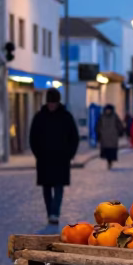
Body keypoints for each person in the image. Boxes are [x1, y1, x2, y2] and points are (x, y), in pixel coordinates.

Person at [29, 88, 80, 224]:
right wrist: (38, 153)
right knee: (46, 188)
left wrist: (69, 154)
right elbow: (33, 138)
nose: (51, 105)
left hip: (61, 159)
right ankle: (49, 212)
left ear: (58, 103)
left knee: (58, 187)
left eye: (54, 103)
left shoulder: (65, 117)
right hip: (44, 159)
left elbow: (74, 137)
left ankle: (54, 213)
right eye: (50, 103)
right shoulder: (40, 117)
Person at [96, 104, 125, 170]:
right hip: (105, 137)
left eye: (109, 110)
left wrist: (120, 132)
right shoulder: (102, 117)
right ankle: (108, 162)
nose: (108, 111)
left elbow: (119, 125)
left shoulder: (114, 117)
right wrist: (99, 134)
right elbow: (99, 126)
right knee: (107, 151)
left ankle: (110, 162)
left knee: (111, 152)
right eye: (107, 110)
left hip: (112, 137)